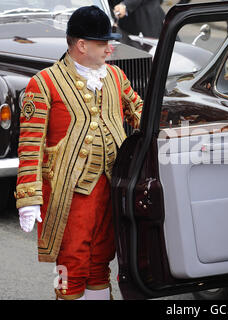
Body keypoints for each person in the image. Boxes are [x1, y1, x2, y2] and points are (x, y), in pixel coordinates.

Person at [15, 5, 143, 300]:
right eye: (103, 43)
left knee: (101, 261)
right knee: (71, 265)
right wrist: (29, 198)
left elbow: (141, 114)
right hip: (68, 193)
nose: (110, 49)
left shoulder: (115, 77)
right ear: (82, 45)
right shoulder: (44, 83)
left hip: (109, 187)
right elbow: (31, 145)